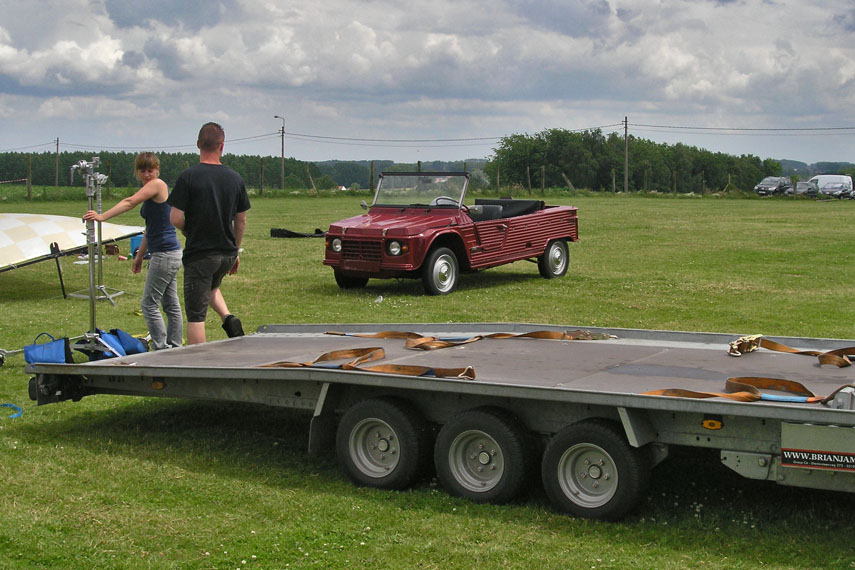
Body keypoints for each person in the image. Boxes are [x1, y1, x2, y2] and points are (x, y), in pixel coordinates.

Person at [83, 152, 183, 350]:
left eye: (151, 170)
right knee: (170, 305)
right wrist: (138, 257)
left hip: (165, 253)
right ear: (137, 172)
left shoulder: (158, 185)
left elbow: (129, 202)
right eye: (142, 170)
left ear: (158, 170)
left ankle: (162, 348)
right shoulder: (149, 191)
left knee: (149, 304)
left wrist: (103, 217)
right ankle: (174, 346)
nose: (147, 174)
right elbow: (149, 228)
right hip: (167, 253)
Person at [168, 122, 250, 344]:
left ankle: (199, 366)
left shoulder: (189, 177)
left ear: (197, 145)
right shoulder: (235, 178)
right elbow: (240, 221)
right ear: (221, 146)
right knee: (210, 286)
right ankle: (228, 318)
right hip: (226, 253)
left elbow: (175, 217)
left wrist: (188, 230)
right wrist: (235, 251)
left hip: (201, 254)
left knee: (196, 316)